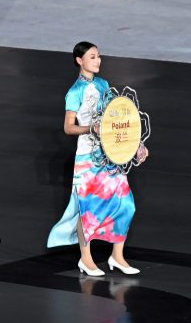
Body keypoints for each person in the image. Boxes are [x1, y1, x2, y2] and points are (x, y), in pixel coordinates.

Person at [47, 41, 148, 276]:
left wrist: (136, 144)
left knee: (126, 204)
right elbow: (68, 127)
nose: (98, 60)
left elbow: (117, 119)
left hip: (110, 154)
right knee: (89, 209)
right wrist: (90, 128)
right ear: (79, 60)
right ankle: (86, 259)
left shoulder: (103, 85)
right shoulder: (75, 92)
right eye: (92, 57)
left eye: (99, 56)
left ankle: (117, 256)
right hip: (88, 158)